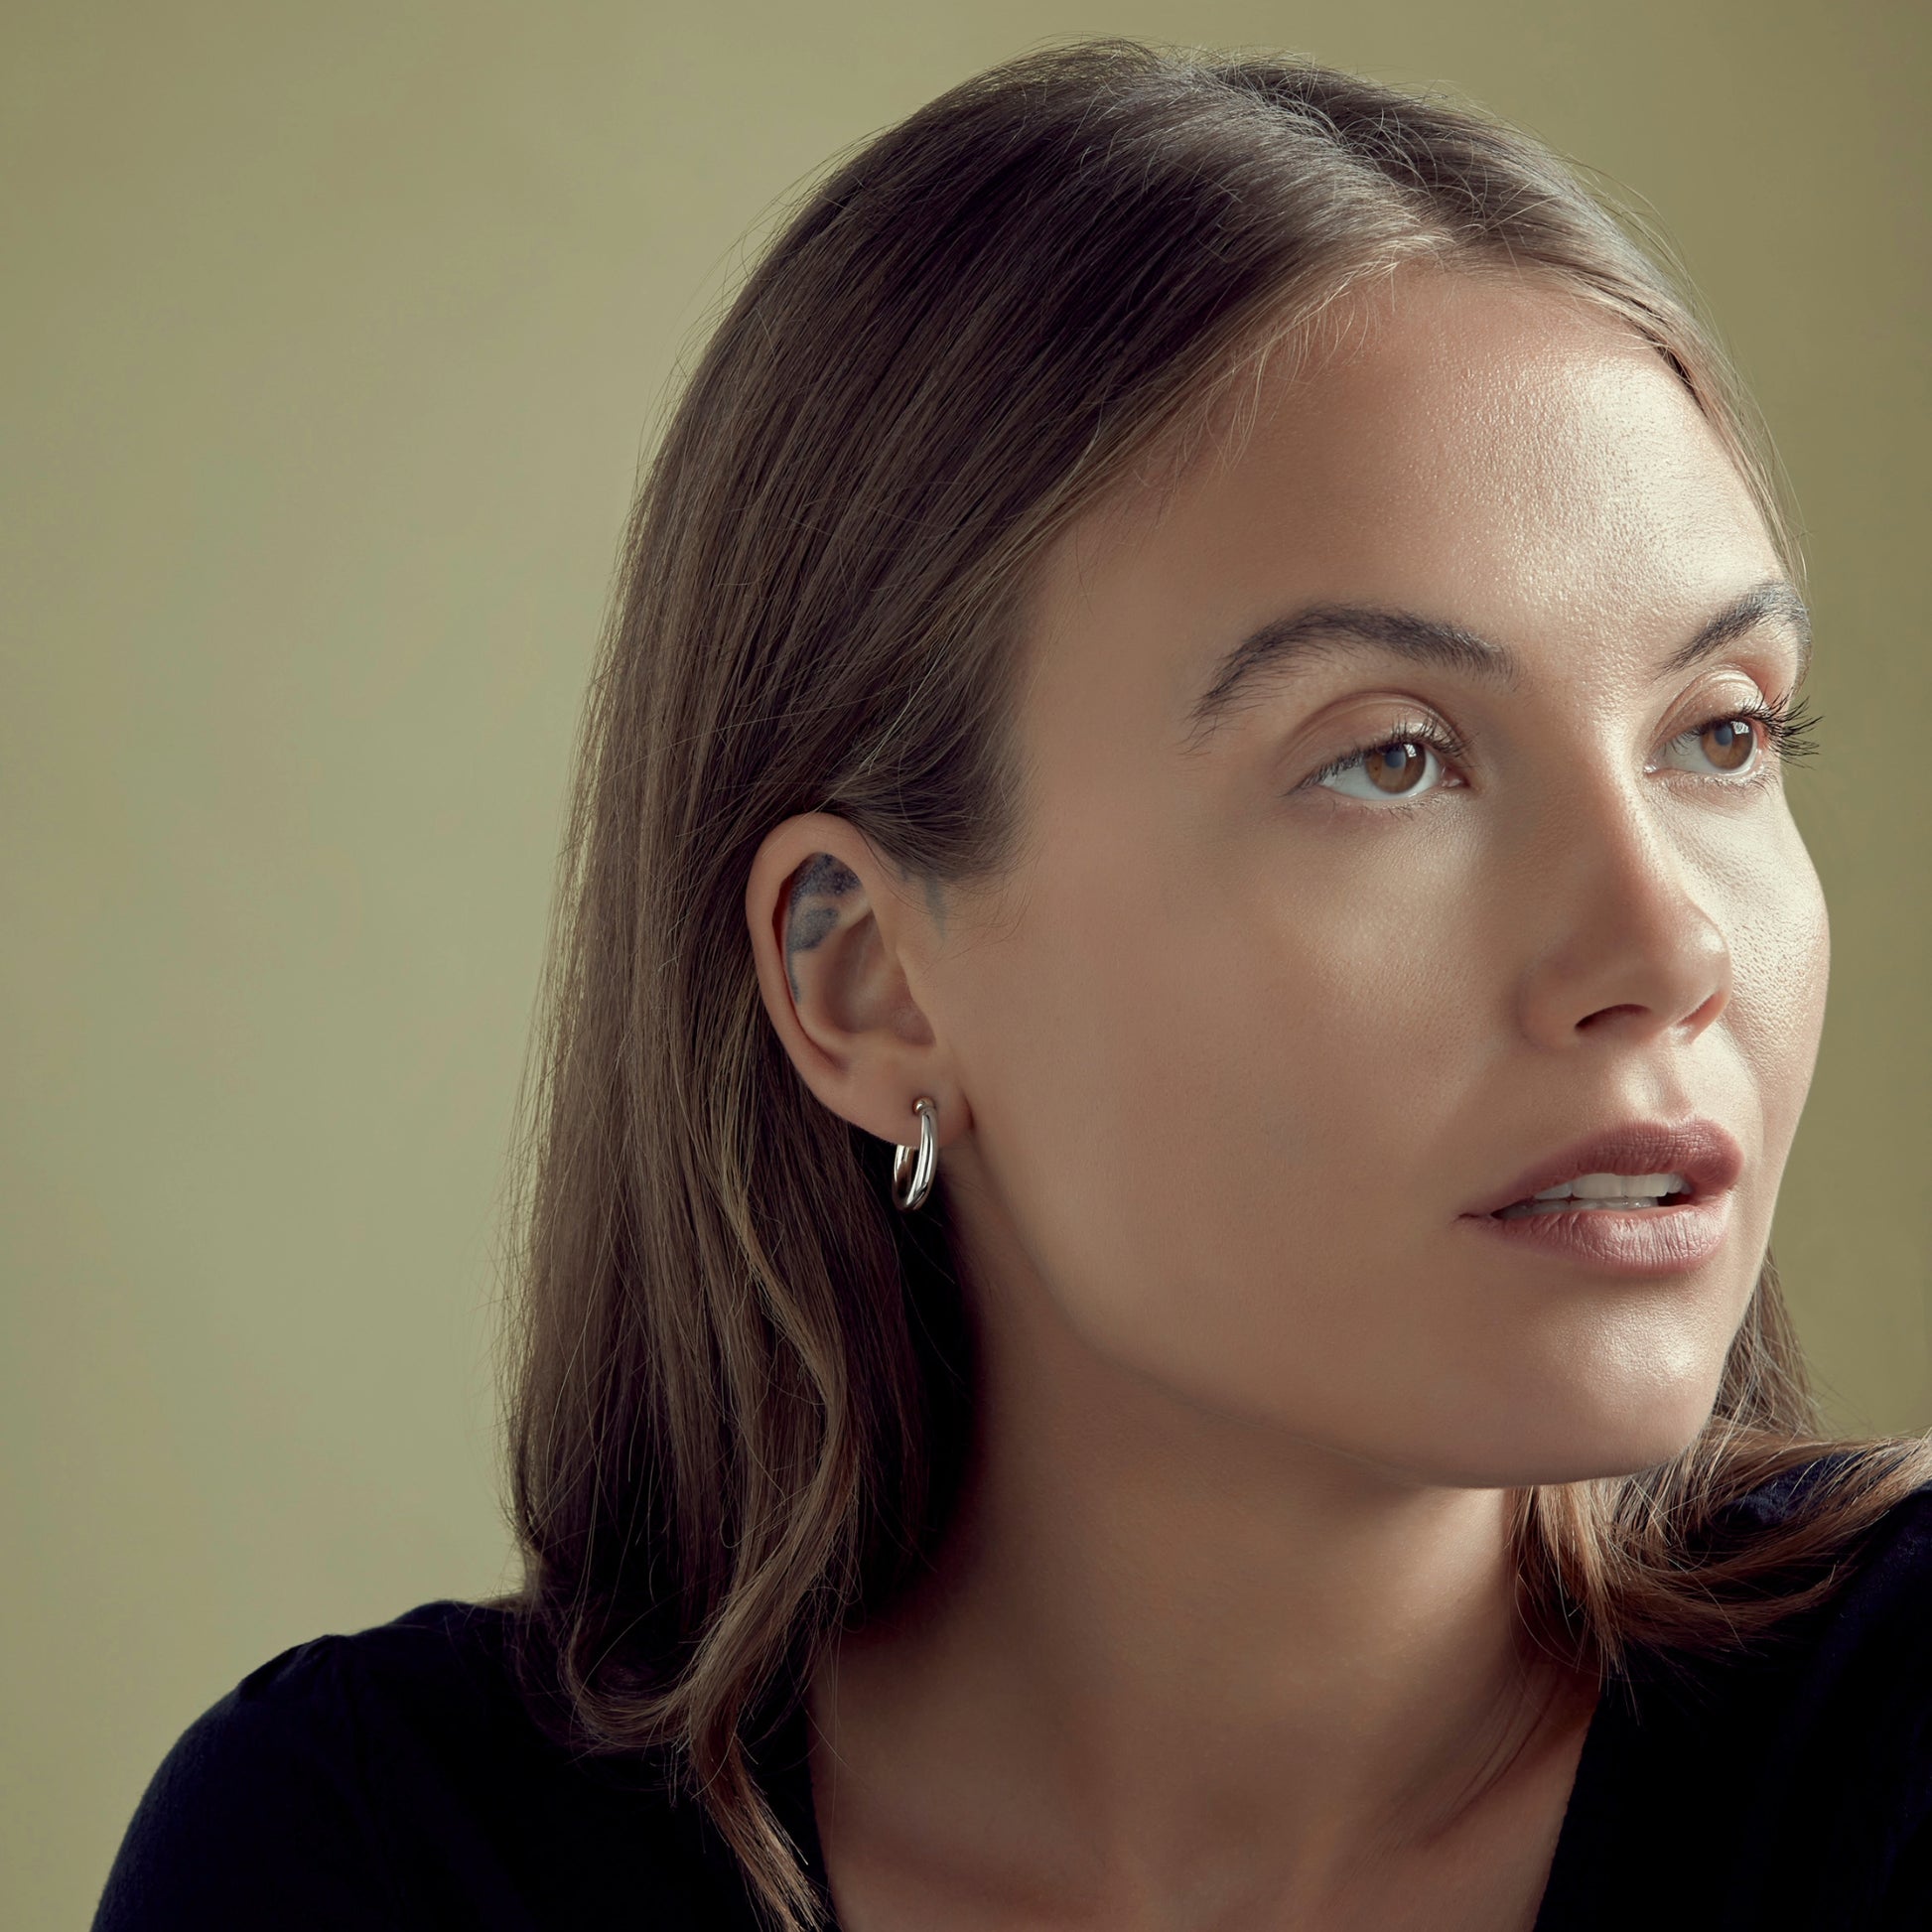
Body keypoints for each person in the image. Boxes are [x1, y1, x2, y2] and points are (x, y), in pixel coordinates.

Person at [93, 36, 1932, 1932]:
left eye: (1719, 733)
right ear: (869, 978)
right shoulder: (372, 1860)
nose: (1665, 949)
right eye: (1387, 756)